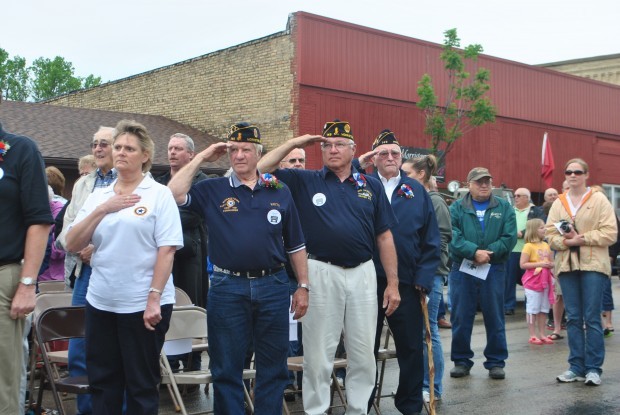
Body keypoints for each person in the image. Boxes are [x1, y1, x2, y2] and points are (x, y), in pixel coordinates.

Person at [257, 120, 400, 415]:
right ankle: (316, 410)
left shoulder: (369, 184)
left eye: (339, 145)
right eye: (326, 145)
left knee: (362, 352)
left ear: (353, 150)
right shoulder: (305, 180)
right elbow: (263, 169)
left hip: (363, 272)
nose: (332, 150)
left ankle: (358, 409)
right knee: (319, 352)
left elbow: (384, 236)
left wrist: (393, 283)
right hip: (320, 271)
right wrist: (297, 142)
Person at [168, 122, 309, 415]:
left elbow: (295, 244)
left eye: (246, 149)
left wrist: (303, 286)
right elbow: (173, 192)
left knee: (273, 368)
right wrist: (201, 157)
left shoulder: (278, 189)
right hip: (227, 287)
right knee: (226, 367)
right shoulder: (212, 189)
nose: (240, 155)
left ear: (258, 155)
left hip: (273, 285)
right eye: (234, 150)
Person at [66, 119, 182, 414]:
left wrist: (154, 297)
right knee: (104, 382)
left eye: (129, 148)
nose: (120, 152)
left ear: (145, 155)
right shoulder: (99, 195)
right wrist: (103, 209)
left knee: (140, 384)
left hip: (143, 305)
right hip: (102, 301)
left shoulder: (158, 194)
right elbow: (72, 243)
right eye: (117, 147)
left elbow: (166, 250)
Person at [358, 131, 440, 415]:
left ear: (401, 157)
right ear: (373, 158)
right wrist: (358, 165)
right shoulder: (361, 184)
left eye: (394, 152)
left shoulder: (416, 191)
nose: (390, 158)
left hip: (406, 283)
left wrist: (423, 280)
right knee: (363, 349)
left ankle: (409, 405)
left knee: (411, 349)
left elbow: (431, 239)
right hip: (366, 281)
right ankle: (362, 404)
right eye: (383, 153)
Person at [56, 126, 117, 414]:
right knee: (79, 346)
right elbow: (66, 226)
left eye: (104, 143)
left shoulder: (136, 182)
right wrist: (76, 245)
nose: (97, 149)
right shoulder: (83, 184)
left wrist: (100, 247)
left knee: (116, 349)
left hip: (118, 274)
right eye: (94, 144)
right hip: (85, 272)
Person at [0, 92, 53, 414]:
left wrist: (27, 283)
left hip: (5, 274)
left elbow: (39, 221)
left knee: (5, 374)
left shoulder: (20, 151)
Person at [547, 158, 617, 386]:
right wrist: (565, 243)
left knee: (592, 317)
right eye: (569, 172)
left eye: (578, 172)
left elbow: (610, 233)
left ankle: (594, 368)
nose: (573, 175)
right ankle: (575, 366)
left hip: (593, 265)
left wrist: (582, 238)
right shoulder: (559, 202)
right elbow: (549, 233)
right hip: (566, 265)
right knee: (574, 318)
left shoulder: (599, 200)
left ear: (586, 175)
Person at [448, 167, 517, 380]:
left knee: (495, 316)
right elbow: (452, 235)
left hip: (494, 268)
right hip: (463, 269)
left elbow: (510, 237)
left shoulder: (504, 207)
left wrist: (488, 253)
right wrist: (473, 252)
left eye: (487, 181)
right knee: (461, 316)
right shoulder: (457, 208)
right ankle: (461, 360)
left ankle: (496, 362)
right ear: (469, 184)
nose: (484, 185)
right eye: (479, 182)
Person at [405, 155, 450, 404]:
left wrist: (424, 268)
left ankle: (433, 387)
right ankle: (418, 384)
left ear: (421, 174)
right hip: (411, 274)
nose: (403, 178)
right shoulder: (411, 198)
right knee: (416, 331)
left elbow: (441, 239)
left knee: (428, 331)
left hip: (430, 276)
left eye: (408, 173)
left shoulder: (435, 201)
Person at [278, 148, 306, 399]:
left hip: (311, 273)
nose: (298, 165)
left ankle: (305, 380)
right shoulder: (274, 190)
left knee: (308, 332)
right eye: (292, 160)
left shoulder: (309, 190)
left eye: (301, 160)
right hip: (285, 274)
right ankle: (287, 382)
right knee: (289, 333)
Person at [505, 188, 543, 315]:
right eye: (515, 195)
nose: (515, 197)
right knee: (508, 280)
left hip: (529, 251)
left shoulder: (536, 211)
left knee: (529, 280)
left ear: (527, 198)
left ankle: (530, 306)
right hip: (512, 250)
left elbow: (540, 226)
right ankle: (508, 306)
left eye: (519, 196)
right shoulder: (510, 210)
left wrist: (523, 233)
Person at [520, 218, 555, 345]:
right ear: (534, 230)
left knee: (543, 308)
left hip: (546, 280)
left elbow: (552, 262)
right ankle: (532, 334)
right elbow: (523, 264)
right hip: (533, 281)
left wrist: (550, 264)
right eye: (541, 227)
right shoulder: (528, 246)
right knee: (532, 308)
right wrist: (540, 264)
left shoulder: (546, 245)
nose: (544, 229)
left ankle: (542, 333)